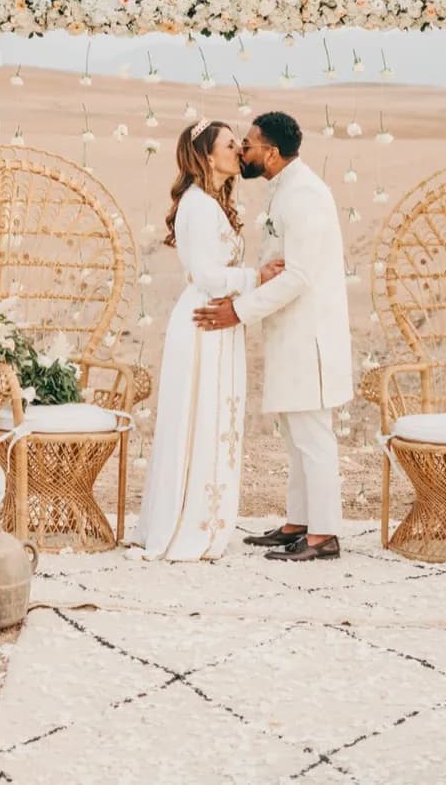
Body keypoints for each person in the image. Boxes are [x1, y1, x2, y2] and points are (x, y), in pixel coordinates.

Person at [194, 111, 351, 562]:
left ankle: (324, 536)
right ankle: (298, 523)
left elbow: (298, 275)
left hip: (310, 337)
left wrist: (237, 312)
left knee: (313, 435)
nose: (244, 151)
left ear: (273, 153)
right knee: (295, 435)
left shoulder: (304, 195)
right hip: (290, 335)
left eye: (250, 143)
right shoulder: (285, 188)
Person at [132, 120, 272, 561]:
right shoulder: (197, 205)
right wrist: (256, 277)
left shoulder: (213, 204)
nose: (239, 149)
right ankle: (190, 523)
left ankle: (206, 519)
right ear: (208, 157)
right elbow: (205, 274)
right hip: (202, 322)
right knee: (200, 419)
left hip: (218, 320)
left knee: (215, 419)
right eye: (230, 145)